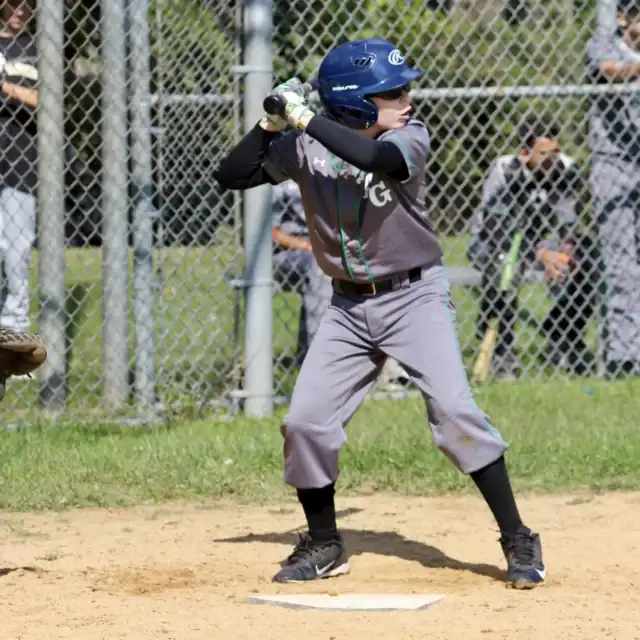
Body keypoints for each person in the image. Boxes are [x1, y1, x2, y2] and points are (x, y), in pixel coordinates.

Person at [214, 38, 545, 590]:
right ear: (357, 104)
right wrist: (272, 125)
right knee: (305, 423)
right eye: (391, 92)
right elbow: (232, 174)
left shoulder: (408, 137)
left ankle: (517, 534)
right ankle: (324, 542)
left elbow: (372, 159)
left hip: (414, 297)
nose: (406, 98)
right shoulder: (303, 149)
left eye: (404, 88)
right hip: (346, 305)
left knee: (455, 414)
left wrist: (307, 119)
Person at [467, 123, 600, 379]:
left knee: (586, 259)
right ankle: (502, 353)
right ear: (525, 153)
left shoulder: (566, 169)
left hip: (539, 242)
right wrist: (541, 255)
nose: (552, 160)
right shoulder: (505, 169)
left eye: (556, 152)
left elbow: (568, 222)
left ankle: (565, 335)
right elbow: (497, 228)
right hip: (491, 242)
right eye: (544, 154)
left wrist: (566, 251)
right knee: (507, 264)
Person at [585, 1, 640, 378]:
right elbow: (610, 72)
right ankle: (625, 356)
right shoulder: (601, 45)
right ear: (623, 18)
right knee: (622, 266)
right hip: (614, 163)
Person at [0, 0, 38, 332]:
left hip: (21, 158)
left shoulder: (40, 47)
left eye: (27, 5)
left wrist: (4, 86)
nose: (19, 10)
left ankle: (15, 327)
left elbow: (45, 100)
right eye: (12, 3)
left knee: (16, 246)